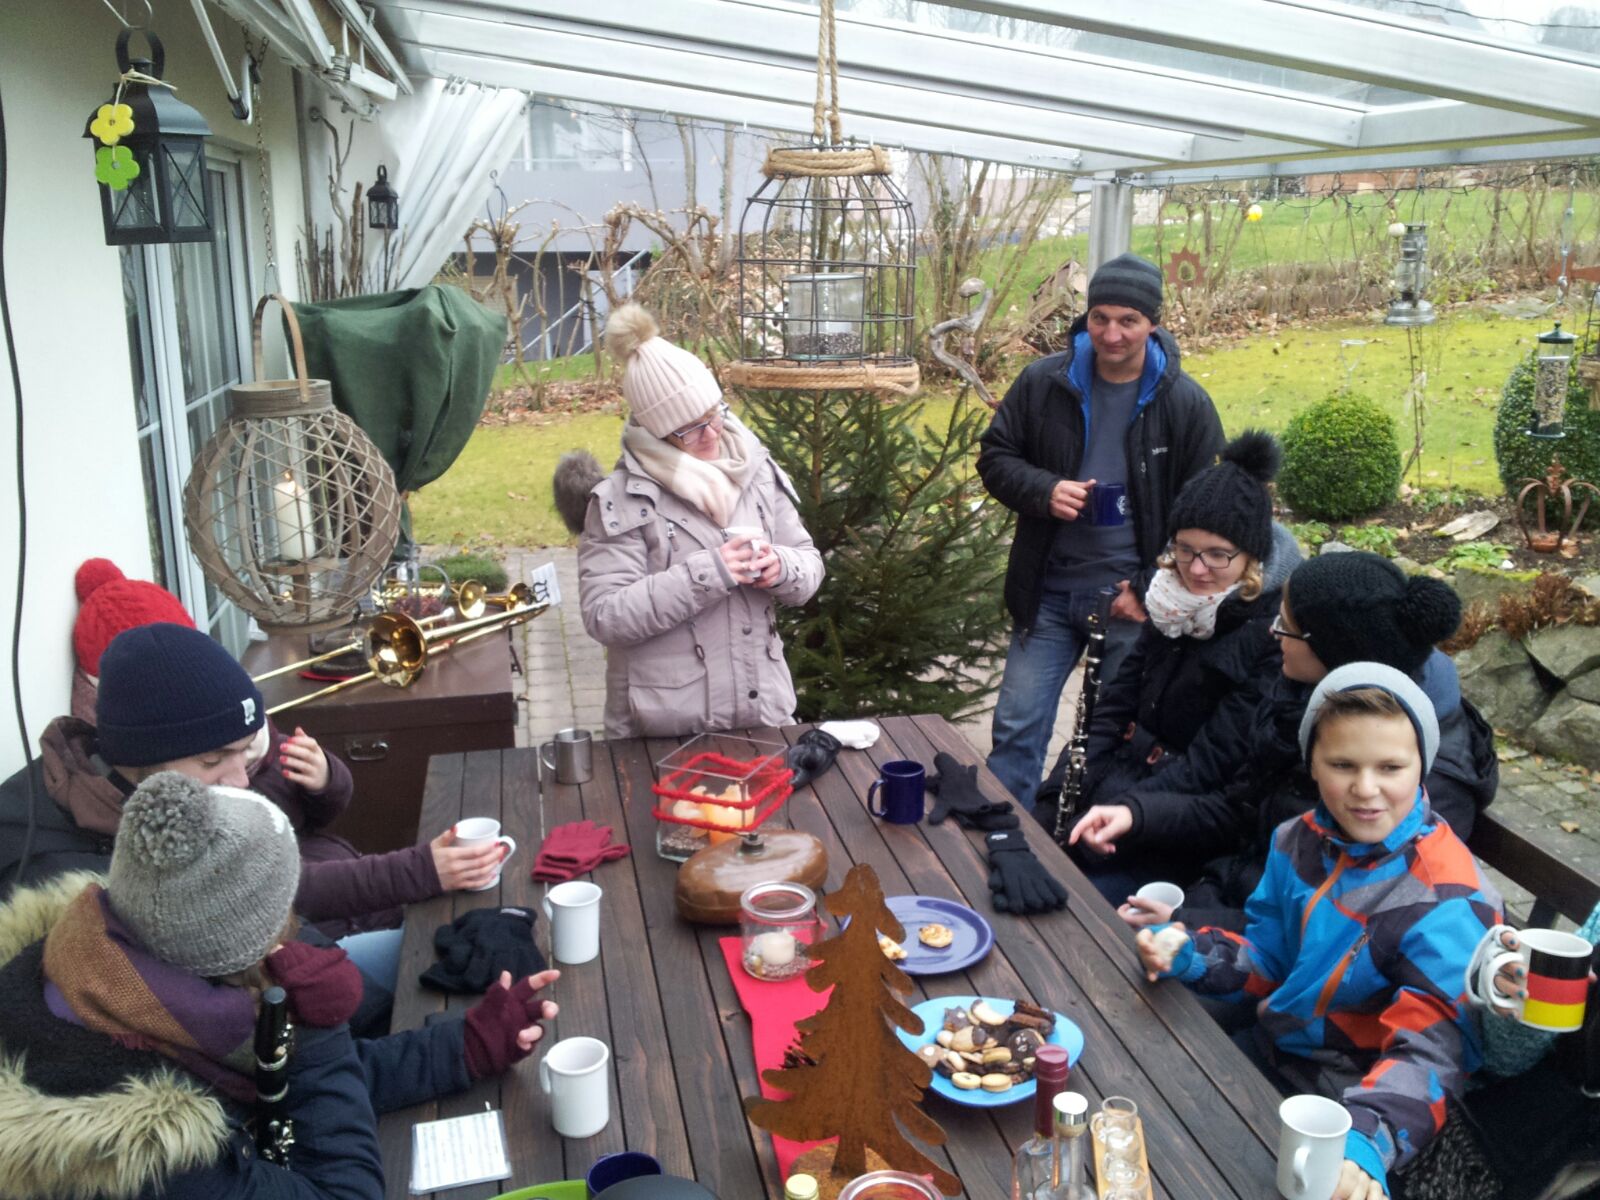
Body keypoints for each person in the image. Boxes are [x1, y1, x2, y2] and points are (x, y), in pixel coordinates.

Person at [0, 771, 557, 1196]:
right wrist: (314, 1030)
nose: (297, 928)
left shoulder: (121, 978)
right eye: (284, 915)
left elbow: (288, 1093)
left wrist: (463, 1046)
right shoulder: (146, 1150)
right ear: (244, 950)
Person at [1136, 664, 1503, 1200]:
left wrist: (1365, 1141)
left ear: (1422, 766)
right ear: (1311, 763)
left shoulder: (1450, 899)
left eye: (1391, 767)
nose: (1366, 788)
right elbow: (1270, 959)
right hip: (1276, 1054)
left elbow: (1431, 1051)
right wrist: (1194, 953)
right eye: (1342, 764)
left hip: (1359, 1108)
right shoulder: (1298, 840)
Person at [0, 623, 510, 944]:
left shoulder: (199, 773)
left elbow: (303, 818)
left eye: (246, 749)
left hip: (346, 914)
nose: (241, 778)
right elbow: (273, 889)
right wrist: (418, 871)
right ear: (139, 759)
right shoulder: (67, 860)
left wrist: (324, 781)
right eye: (213, 760)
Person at [977, 252, 1224, 810]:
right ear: (1085, 317)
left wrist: (1149, 586)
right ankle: (1004, 833)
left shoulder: (1184, 403)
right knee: (1016, 726)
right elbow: (996, 457)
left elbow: (1208, 510)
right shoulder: (1043, 382)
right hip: (1046, 591)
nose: (1112, 334)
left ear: (1153, 322)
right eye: (1100, 318)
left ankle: (1084, 839)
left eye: (1128, 321)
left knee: (1114, 737)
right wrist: (1043, 490)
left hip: (1129, 602)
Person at [1154, 552, 1496, 934]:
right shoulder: (1304, 697)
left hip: (1274, 940)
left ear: (1334, 650)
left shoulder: (1419, 779)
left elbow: (1335, 928)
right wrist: (1136, 815)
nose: (1273, 633)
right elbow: (1240, 808)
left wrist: (1186, 923)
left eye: (1286, 626)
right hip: (1233, 896)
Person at [1048, 430, 1299, 902]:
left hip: (1182, 827)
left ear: (1251, 556)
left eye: (1218, 554)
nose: (1196, 569)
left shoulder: (1268, 637)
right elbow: (1112, 708)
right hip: (1120, 792)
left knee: (1075, 904)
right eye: (1185, 549)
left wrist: (1124, 811)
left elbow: (1211, 765)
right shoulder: (1170, 605)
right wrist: (1062, 788)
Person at [574, 303, 824, 737]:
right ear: (656, 431)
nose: (711, 433)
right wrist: (709, 573)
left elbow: (809, 564)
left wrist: (781, 567)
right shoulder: (621, 498)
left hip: (763, 718)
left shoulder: (756, 471)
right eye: (690, 428)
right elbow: (605, 616)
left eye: (714, 414)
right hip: (660, 734)